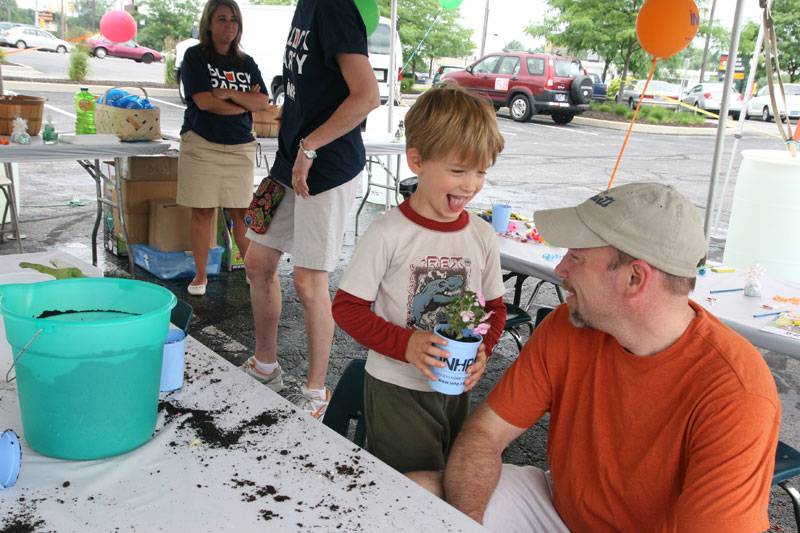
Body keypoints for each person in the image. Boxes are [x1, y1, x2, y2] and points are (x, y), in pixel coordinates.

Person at [436, 182, 782, 532]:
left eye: (578, 256)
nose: (561, 269)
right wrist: (466, 523)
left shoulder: (737, 391)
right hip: (556, 509)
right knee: (424, 495)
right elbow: (484, 434)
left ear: (635, 277)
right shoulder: (568, 325)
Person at [331, 83, 507, 475]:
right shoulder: (387, 232)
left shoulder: (481, 234)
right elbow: (346, 309)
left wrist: (484, 351)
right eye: (458, 170)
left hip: (456, 389)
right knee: (411, 487)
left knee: (452, 479)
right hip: (397, 388)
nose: (470, 184)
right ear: (417, 161)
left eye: (481, 171)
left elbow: (495, 308)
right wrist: (406, 343)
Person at [241, 0, 379, 418]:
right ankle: (266, 365)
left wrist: (310, 145)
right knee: (256, 261)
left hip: (326, 167)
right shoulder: (307, 6)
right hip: (289, 163)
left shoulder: (334, 6)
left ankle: (316, 393)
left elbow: (367, 96)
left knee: (308, 282)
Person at [177, 0, 269, 296]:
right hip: (202, 145)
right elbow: (204, 102)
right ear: (208, 24)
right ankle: (201, 275)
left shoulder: (246, 62)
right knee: (203, 211)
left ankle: (253, 272)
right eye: (222, 19)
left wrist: (229, 93)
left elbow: (262, 103)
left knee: (241, 212)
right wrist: (244, 103)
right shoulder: (195, 57)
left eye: (234, 20)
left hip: (240, 147)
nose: (229, 25)